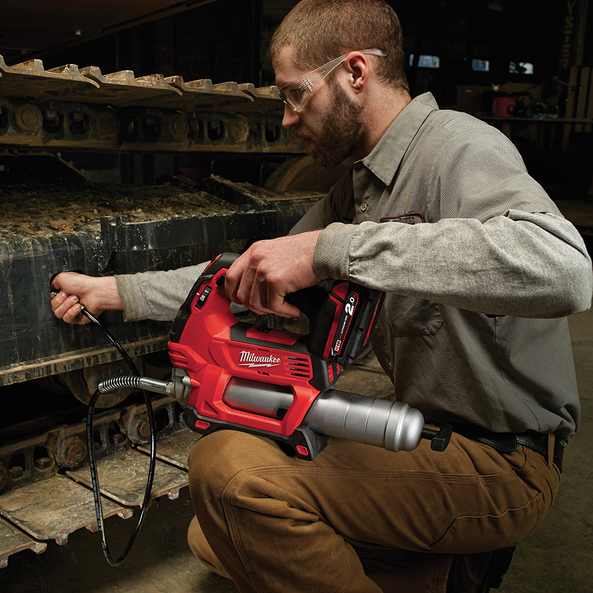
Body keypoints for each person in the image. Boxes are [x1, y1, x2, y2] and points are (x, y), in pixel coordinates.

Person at [51, 0, 593, 591]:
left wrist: (331, 251)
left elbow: (564, 268)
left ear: (354, 73)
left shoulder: (458, 148)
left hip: (502, 461)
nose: (287, 118)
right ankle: (436, 571)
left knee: (227, 475)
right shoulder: (359, 187)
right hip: (424, 435)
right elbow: (252, 270)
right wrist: (114, 292)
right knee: (214, 534)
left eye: (294, 94)